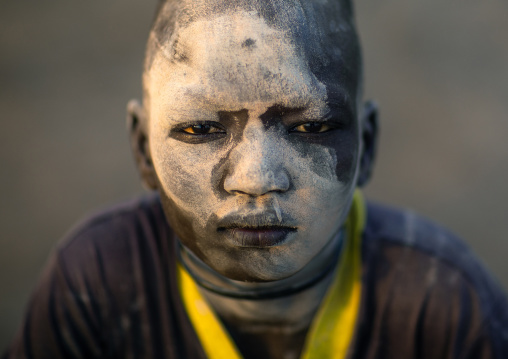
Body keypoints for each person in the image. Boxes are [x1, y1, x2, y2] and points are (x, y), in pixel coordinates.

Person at [4, 0, 508, 358]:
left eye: (311, 127)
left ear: (368, 145)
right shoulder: (97, 283)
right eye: (200, 129)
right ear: (142, 149)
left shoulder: (440, 300)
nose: (256, 179)